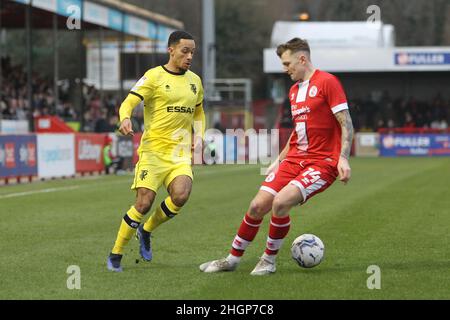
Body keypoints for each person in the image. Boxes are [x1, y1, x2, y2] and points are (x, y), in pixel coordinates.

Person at [200, 38, 354, 275]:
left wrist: (342, 157)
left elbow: (347, 123)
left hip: (322, 163)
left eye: (287, 63)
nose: (285, 69)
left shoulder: (327, 82)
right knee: (256, 206)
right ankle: (231, 259)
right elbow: (298, 132)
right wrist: (279, 160)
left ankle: (268, 260)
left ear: (302, 59)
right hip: (294, 160)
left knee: (280, 203)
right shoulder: (293, 92)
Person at [107, 30, 205, 272]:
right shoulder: (153, 76)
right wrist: (125, 118)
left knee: (181, 195)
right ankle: (115, 254)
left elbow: (199, 112)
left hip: (179, 154)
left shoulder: (195, 81)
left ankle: (147, 230)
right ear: (170, 50)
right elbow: (129, 101)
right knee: (143, 203)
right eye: (185, 51)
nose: (189, 56)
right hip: (153, 153)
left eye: (192, 52)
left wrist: (200, 135)